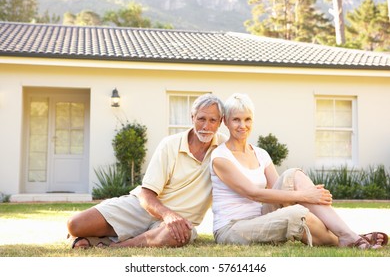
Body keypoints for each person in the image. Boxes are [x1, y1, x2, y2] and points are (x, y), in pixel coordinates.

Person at [210, 93, 388, 249]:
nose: (242, 125)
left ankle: (349, 235)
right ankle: (350, 238)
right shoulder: (220, 157)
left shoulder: (261, 154)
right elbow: (254, 193)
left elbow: (278, 191)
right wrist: (305, 196)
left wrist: (303, 195)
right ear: (226, 121)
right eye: (236, 120)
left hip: (261, 216)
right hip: (232, 228)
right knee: (295, 214)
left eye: (247, 119)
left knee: (293, 174)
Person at [67, 93, 226, 248]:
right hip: (144, 208)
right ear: (192, 118)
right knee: (75, 224)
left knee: (178, 234)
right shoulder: (170, 144)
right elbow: (146, 194)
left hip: (179, 222)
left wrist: (172, 219)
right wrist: (167, 214)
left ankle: (114, 246)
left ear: (220, 122)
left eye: (213, 120)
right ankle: (90, 237)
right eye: (201, 119)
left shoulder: (225, 149)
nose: (206, 126)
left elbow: (248, 155)